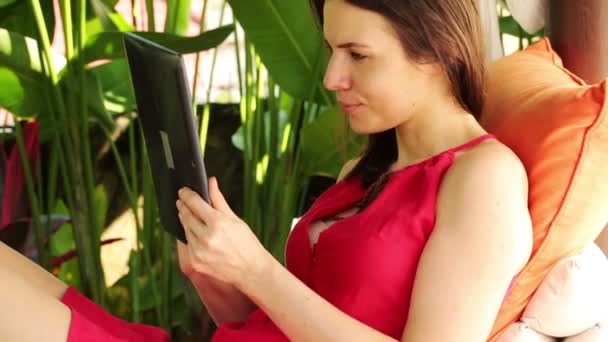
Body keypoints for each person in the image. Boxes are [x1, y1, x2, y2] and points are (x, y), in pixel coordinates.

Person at [0, 0, 533, 341]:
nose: (331, 77)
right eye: (331, 51)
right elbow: (270, 323)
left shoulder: (483, 177)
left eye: (357, 55)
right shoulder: (363, 171)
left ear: (437, 54)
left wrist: (257, 269)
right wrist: (217, 274)